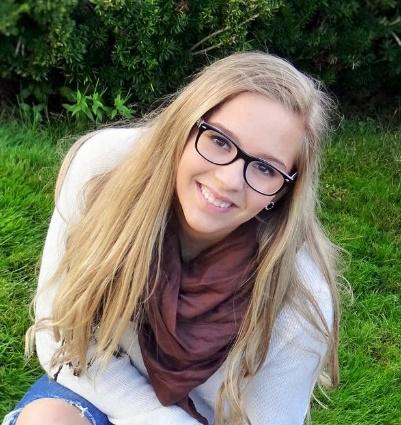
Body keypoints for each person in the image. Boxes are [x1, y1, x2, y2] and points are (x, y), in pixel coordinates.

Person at [3, 51, 340, 425]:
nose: (228, 180)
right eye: (220, 141)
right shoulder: (104, 171)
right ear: (185, 124)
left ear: (281, 192)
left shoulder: (300, 301)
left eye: (264, 168)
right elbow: (61, 334)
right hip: (98, 383)